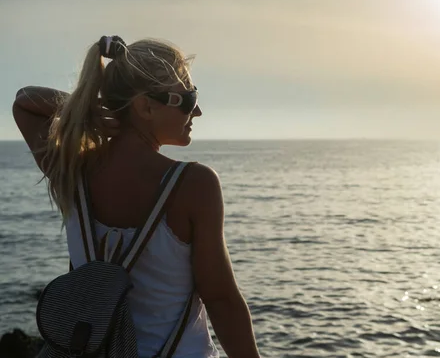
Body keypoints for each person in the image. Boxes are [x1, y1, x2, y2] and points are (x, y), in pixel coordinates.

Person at [12, 36, 261, 358]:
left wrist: (85, 110)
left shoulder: (73, 171)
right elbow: (220, 298)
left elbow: (25, 102)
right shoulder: (193, 183)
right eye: (187, 98)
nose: (197, 110)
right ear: (145, 106)